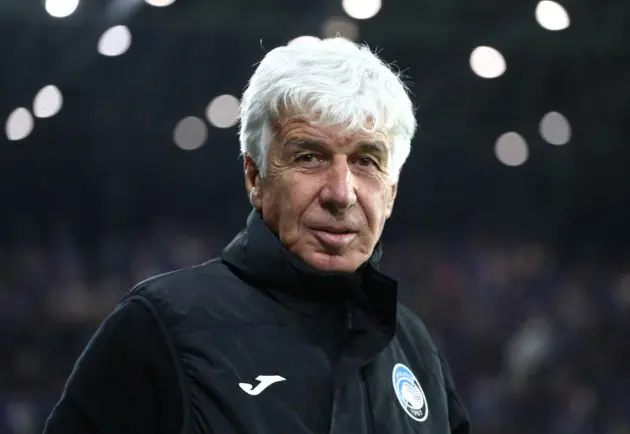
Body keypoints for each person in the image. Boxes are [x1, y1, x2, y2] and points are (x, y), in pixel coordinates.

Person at [44, 37, 470, 434]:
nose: (341, 194)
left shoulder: (415, 347)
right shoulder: (159, 328)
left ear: (391, 192)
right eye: (309, 157)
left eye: (366, 162)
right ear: (255, 177)